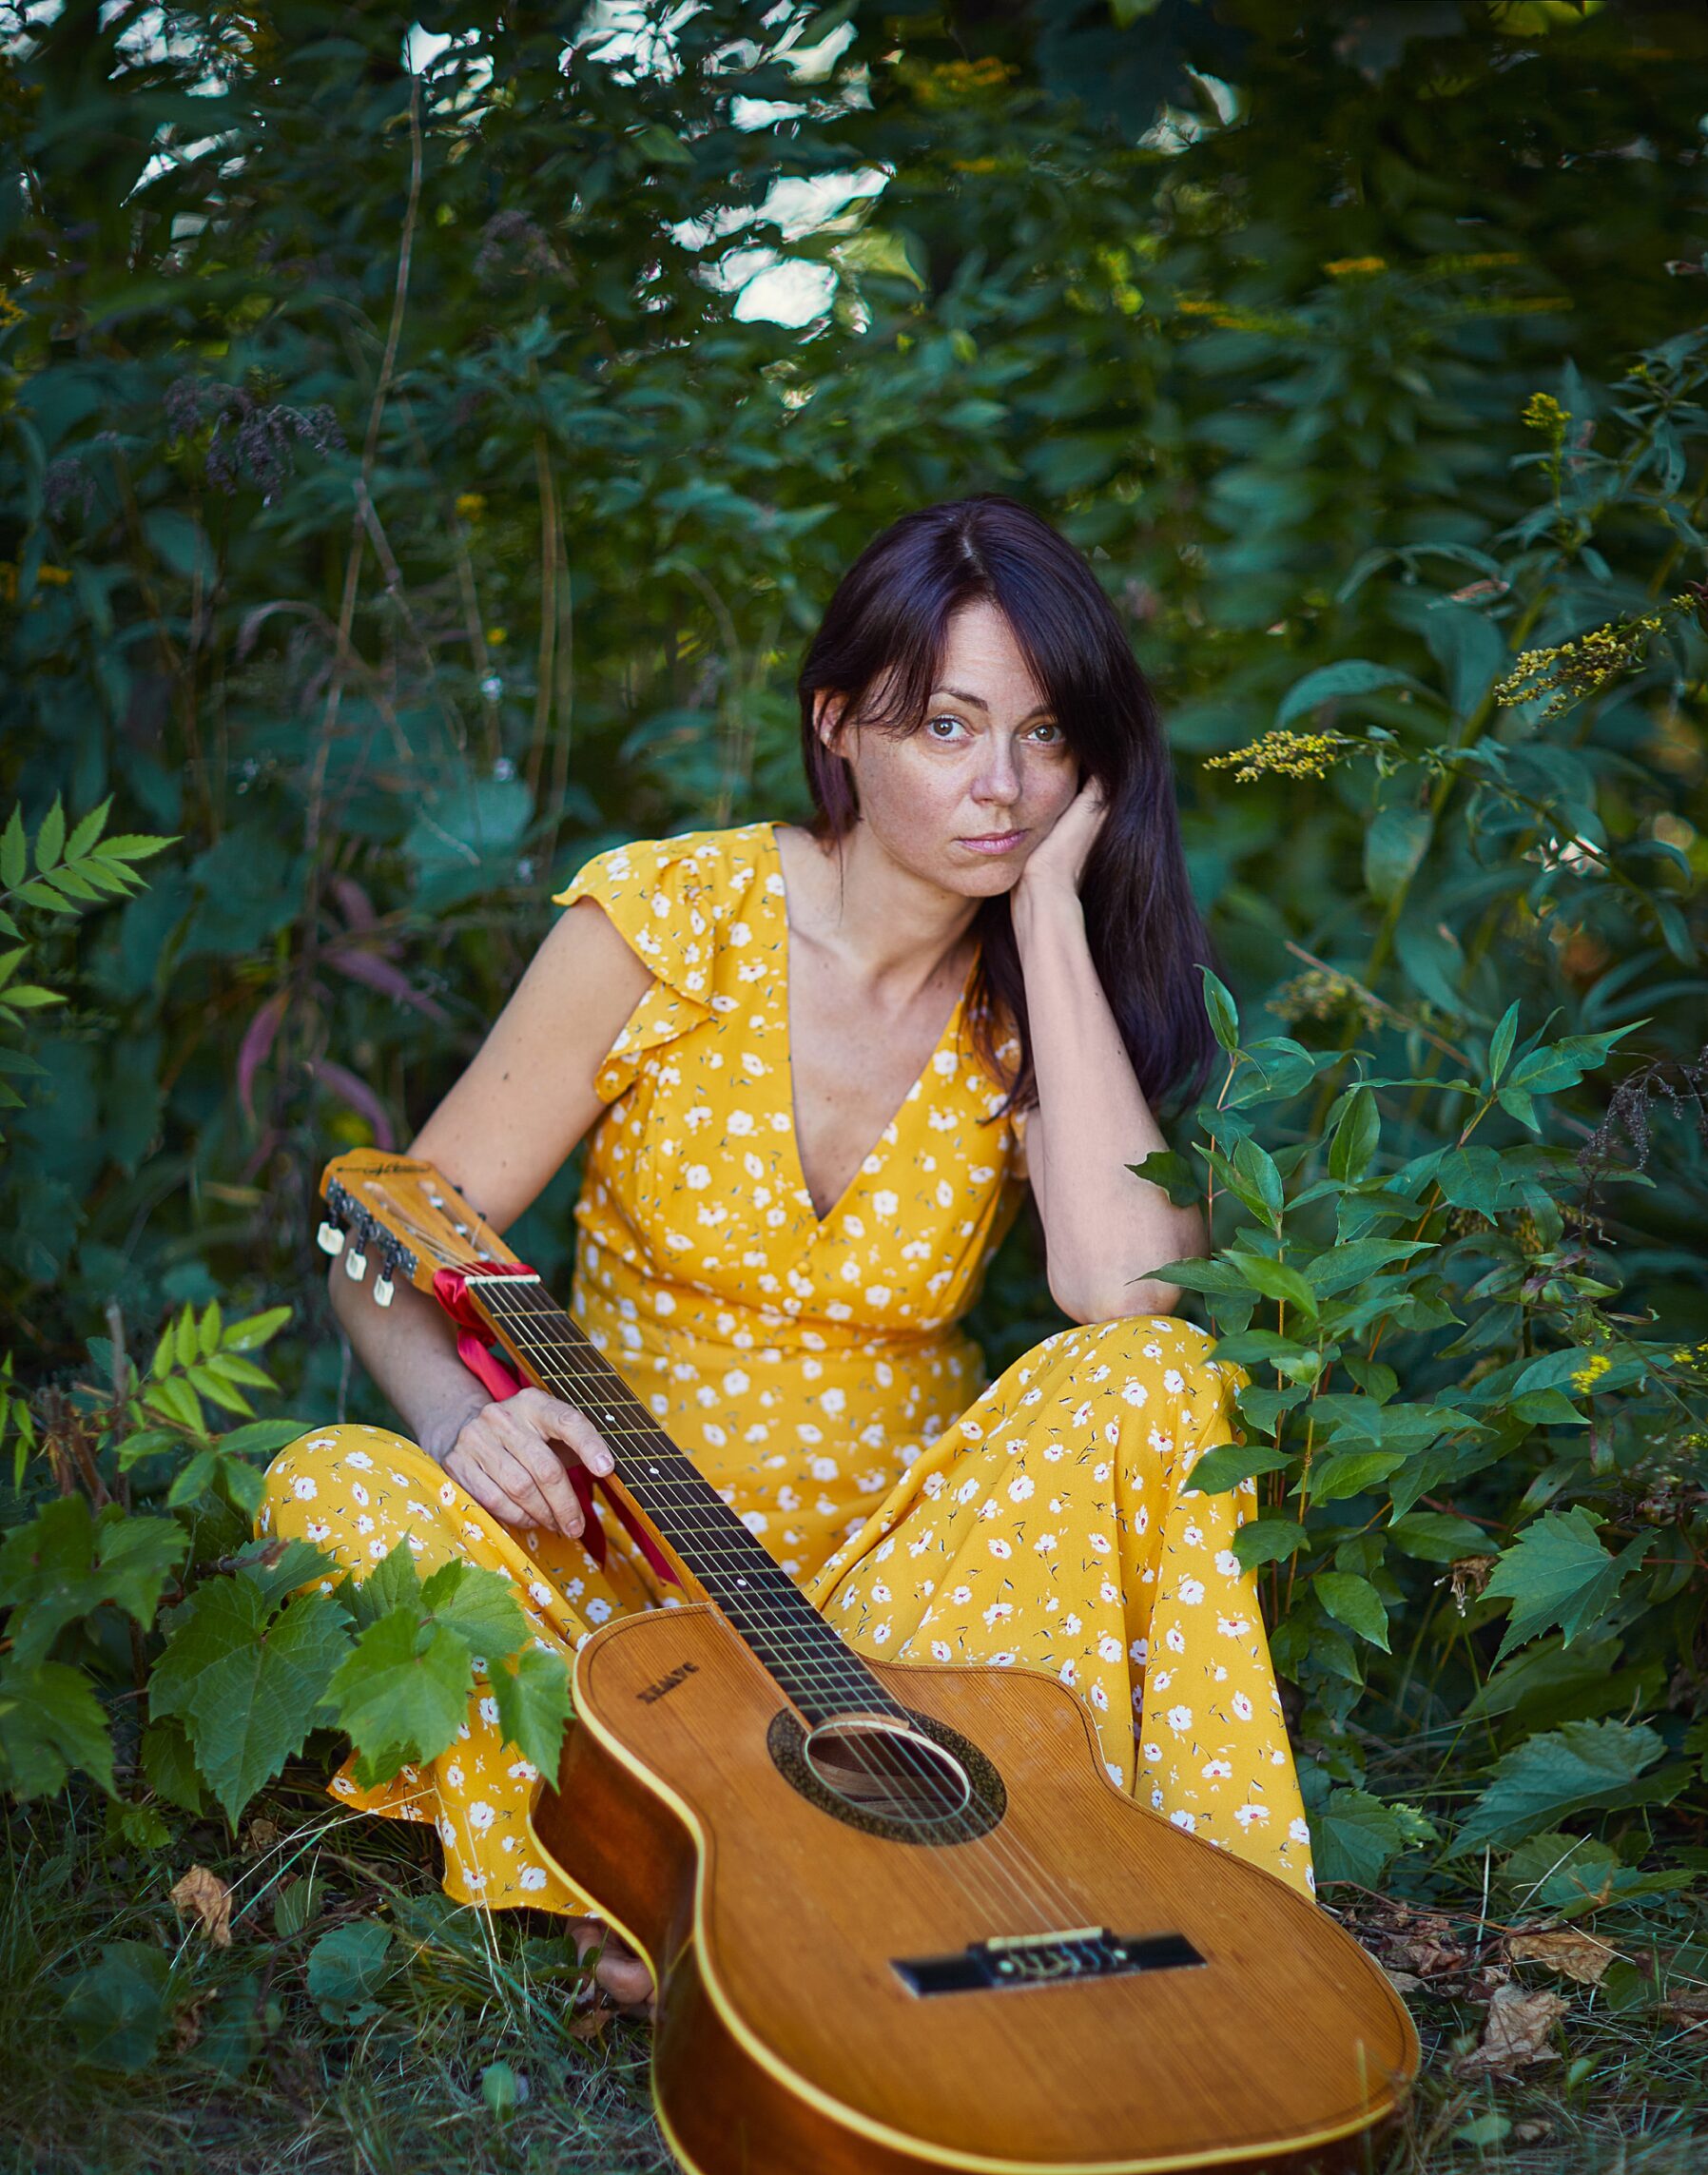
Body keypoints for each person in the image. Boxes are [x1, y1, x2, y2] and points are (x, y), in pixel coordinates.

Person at [260, 495, 1313, 2009]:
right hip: (614, 1606)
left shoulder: (1030, 1009)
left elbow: (1128, 1294)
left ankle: (1160, 1908)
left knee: (1151, 1378)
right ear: (840, 723)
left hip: (900, 1628)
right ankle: (644, 1871)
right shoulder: (672, 921)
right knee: (328, 1484)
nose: (998, 786)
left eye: (1045, 737)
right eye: (947, 726)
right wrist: (464, 1416)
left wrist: (1057, 920)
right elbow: (396, 1222)